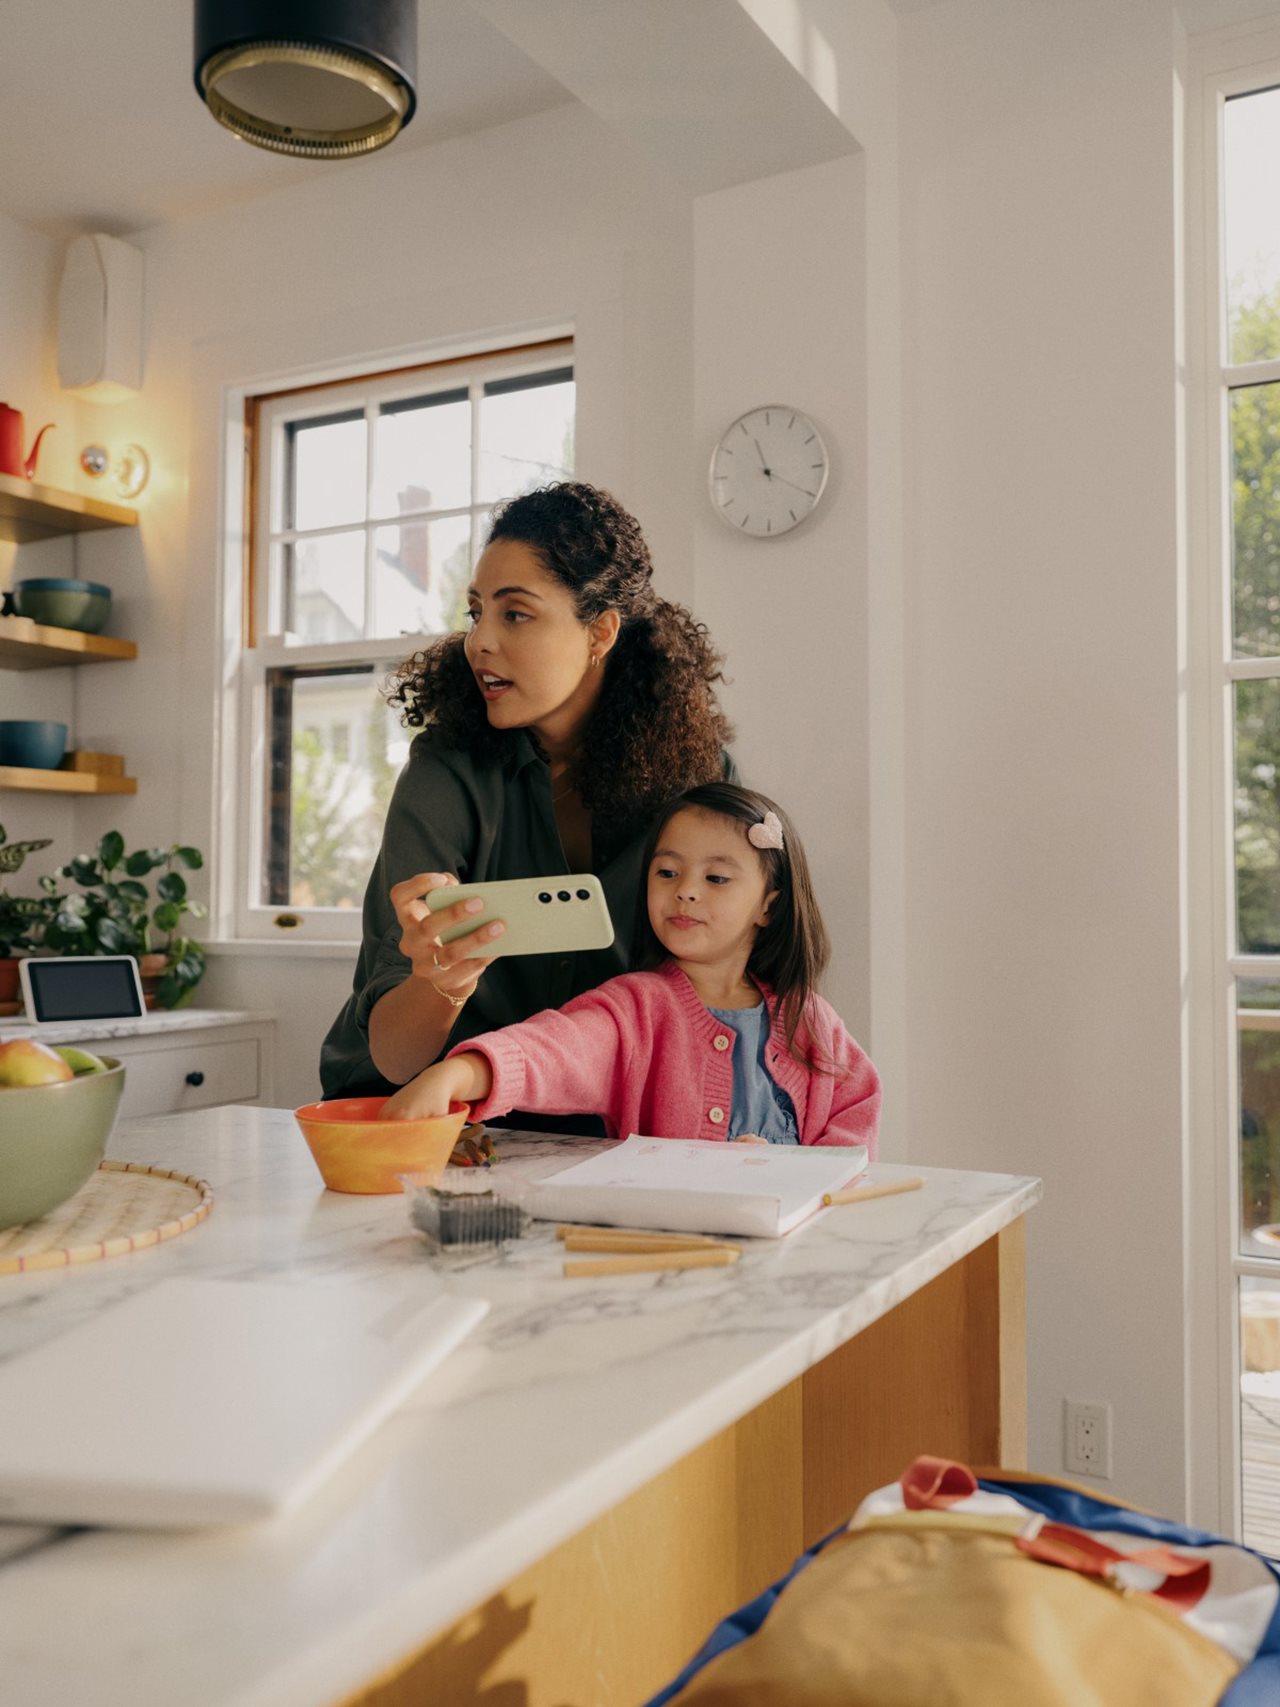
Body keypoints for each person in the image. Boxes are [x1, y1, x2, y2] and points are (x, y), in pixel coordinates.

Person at [319, 483, 736, 1104]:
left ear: (600, 633)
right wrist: (443, 983)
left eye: (515, 614)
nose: (479, 641)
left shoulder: (695, 780)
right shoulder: (444, 774)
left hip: (604, 1124)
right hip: (419, 1116)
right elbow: (395, 1055)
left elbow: (718, 990)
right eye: (475, 612)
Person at [381, 783, 881, 1153]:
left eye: (717, 877)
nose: (686, 889)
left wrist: (803, 1177)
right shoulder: (634, 1009)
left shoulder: (811, 1021)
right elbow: (553, 1049)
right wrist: (457, 1075)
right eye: (667, 872)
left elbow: (855, 1115)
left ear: (768, 906)